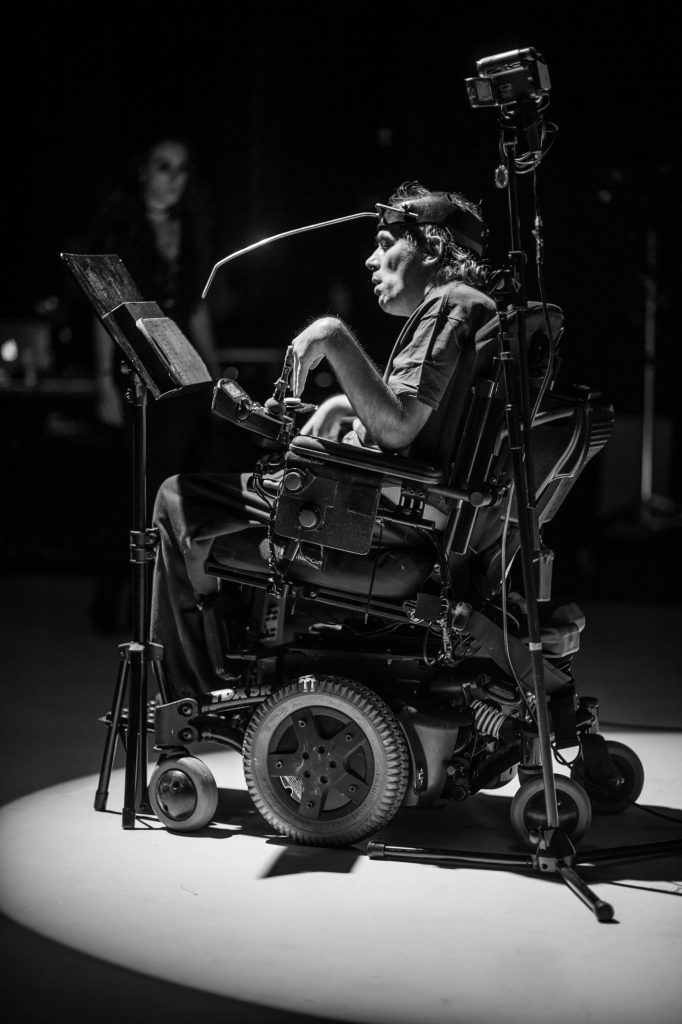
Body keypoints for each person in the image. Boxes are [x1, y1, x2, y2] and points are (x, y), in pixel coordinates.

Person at [151, 180, 497, 698]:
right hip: (419, 516)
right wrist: (339, 407)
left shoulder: (448, 305)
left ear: (430, 246)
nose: (369, 261)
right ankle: (240, 678)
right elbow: (414, 428)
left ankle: (182, 703)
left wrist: (330, 334)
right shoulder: (473, 307)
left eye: (384, 243)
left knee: (177, 501)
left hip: (382, 530)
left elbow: (398, 425)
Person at [87, 135, 221, 633]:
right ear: (143, 170)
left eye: (182, 169)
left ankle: (159, 606)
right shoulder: (120, 229)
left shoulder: (190, 228)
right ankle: (116, 604)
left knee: (174, 487)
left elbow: (197, 308)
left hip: (180, 378)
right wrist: (103, 378)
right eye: (164, 167)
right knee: (133, 490)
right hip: (133, 376)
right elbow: (104, 307)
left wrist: (212, 372)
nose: (174, 178)